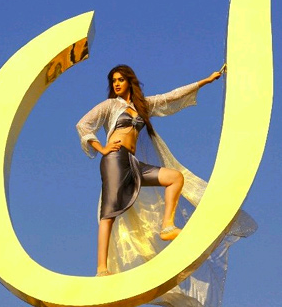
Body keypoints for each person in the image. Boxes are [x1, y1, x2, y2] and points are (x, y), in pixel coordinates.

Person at [77, 65, 256, 307]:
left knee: (175, 178)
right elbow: (84, 125)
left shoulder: (142, 106)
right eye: (113, 81)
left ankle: (167, 226)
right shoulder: (110, 106)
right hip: (115, 159)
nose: (117, 84)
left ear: (129, 81)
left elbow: (171, 97)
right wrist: (102, 148)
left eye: (120, 80)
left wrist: (204, 81)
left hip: (133, 163)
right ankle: (101, 269)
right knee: (109, 212)